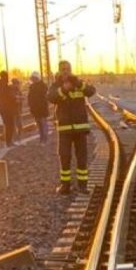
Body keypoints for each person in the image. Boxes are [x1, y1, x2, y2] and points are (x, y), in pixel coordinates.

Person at [47, 60, 96, 195]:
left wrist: (79, 84)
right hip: (64, 129)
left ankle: (82, 186)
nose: (65, 71)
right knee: (65, 157)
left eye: (67, 69)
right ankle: (65, 186)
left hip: (80, 129)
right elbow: (51, 97)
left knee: (82, 158)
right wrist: (63, 89)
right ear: (59, 70)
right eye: (63, 69)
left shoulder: (78, 82)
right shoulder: (56, 85)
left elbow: (91, 91)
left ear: (71, 69)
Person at [0, 70, 17, 147]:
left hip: (2, 107)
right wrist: (15, 98)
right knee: (10, 125)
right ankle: (9, 142)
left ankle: (8, 141)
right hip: (8, 108)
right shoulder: (5, 87)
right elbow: (10, 97)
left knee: (7, 125)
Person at [28, 71, 50, 144]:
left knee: (43, 124)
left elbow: (45, 97)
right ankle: (41, 139)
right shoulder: (32, 87)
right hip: (35, 109)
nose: (33, 79)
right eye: (33, 78)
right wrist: (31, 107)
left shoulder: (43, 86)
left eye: (34, 78)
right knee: (39, 125)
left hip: (42, 109)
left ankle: (44, 139)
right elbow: (30, 98)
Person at [10, 77, 23, 141]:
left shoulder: (19, 90)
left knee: (20, 125)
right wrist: (16, 98)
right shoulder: (10, 90)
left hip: (18, 110)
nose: (18, 85)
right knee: (14, 125)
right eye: (16, 83)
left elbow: (22, 98)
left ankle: (19, 137)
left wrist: (19, 98)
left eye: (18, 83)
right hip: (13, 110)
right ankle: (16, 138)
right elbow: (11, 98)